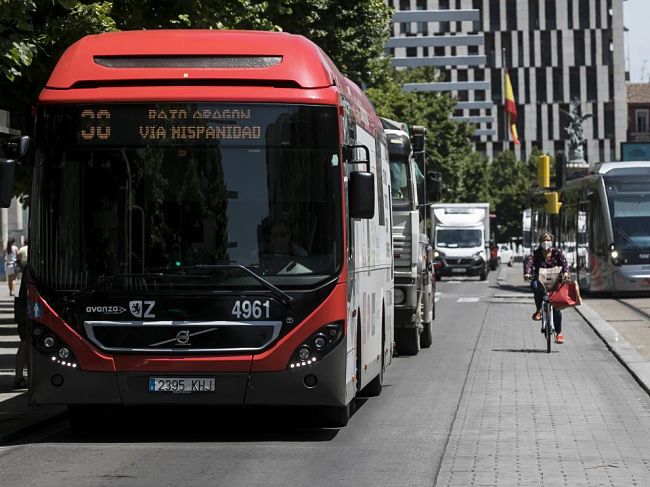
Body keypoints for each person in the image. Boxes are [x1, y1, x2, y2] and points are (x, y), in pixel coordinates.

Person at [523, 232, 569, 344]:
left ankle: (559, 333)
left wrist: (566, 272)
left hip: (554, 280)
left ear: (552, 242)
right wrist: (527, 273)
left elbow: (565, 264)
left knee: (556, 307)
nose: (546, 242)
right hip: (540, 280)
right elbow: (529, 264)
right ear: (540, 242)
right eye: (544, 240)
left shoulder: (557, 253)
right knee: (535, 286)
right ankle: (538, 310)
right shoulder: (536, 253)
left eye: (548, 240)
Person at [13, 265, 29, 389]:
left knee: (25, 344)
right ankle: (19, 377)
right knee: (25, 344)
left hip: (23, 310)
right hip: (26, 311)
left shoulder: (28, 267)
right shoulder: (32, 268)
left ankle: (19, 377)